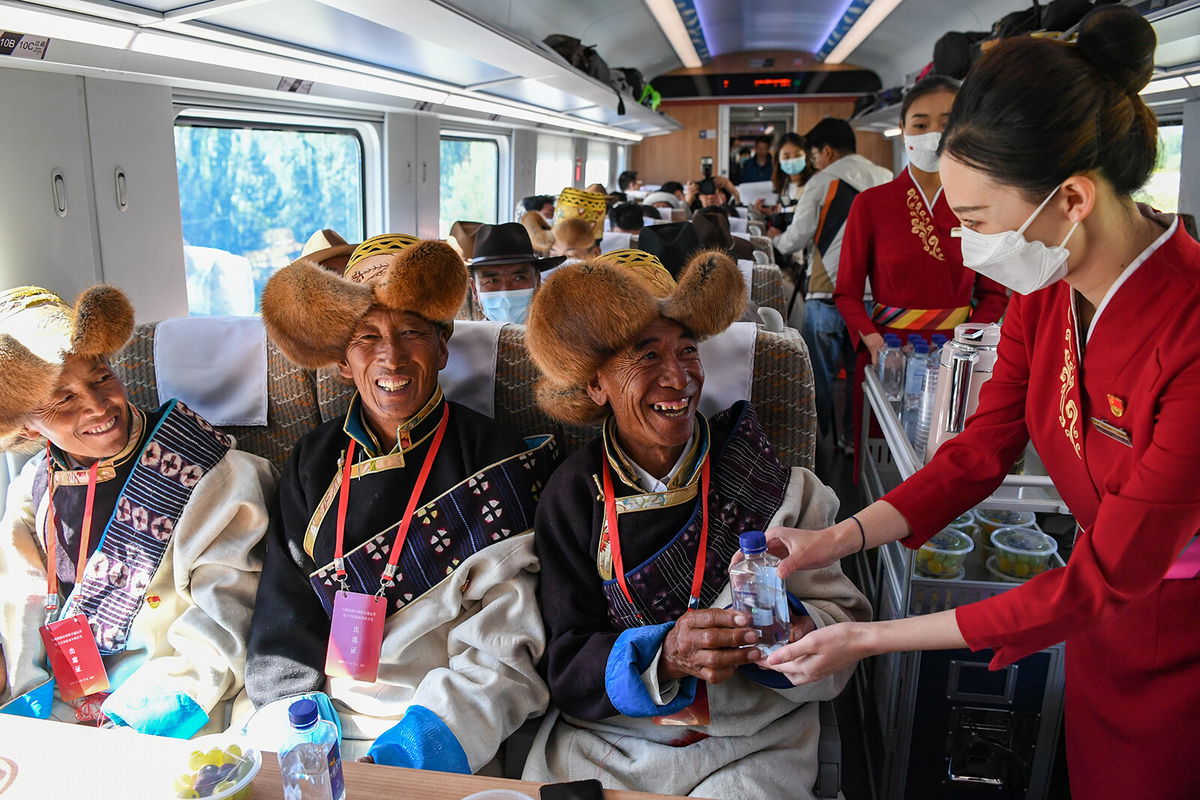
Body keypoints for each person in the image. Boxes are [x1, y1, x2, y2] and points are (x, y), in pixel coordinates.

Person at [763, 9, 1200, 799]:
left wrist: (867, 639)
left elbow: (1106, 575)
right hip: (1102, 623)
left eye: (974, 221)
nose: (966, 248)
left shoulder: (1192, 330)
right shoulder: (1047, 293)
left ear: (1069, 199)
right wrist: (835, 540)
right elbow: (978, 452)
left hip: (1181, 636)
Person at [520, 249, 870, 798]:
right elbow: (564, 658)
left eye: (688, 351)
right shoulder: (571, 494)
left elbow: (842, 615)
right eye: (647, 356)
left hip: (753, 739)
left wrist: (804, 630)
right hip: (610, 741)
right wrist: (667, 654)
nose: (679, 378)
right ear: (596, 385)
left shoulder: (773, 482)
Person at [245, 238, 554, 769]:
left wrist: (425, 746)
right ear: (344, 361)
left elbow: (507, 639)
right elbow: (284, 602)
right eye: (368, 337)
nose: (392, 355)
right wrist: (290, 714)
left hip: (446, 719)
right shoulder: (314, 459)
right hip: (321, 713)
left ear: (442, 347)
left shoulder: (493, 454)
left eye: (411, 331)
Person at [0, 285, 275, 736]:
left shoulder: (217, 476)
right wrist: (33, 716)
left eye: (101, 377)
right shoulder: (32, 488)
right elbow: (22, 612)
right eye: (62, 398)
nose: (96, 404)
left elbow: (221, 631)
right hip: (61, 704)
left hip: (172, 701)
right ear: (27, 422)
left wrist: (133, 723)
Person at [835, 76, 1008, 463]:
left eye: (947, 122)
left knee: (951, 458)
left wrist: (969, 346)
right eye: (920, 124)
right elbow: (846, 293)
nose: (934, 134)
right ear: (903, 132)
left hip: (960, 356)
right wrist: (875, 344)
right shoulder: (872, 203)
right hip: (890, 353)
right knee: (886, 460)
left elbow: (995, 294)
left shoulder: (982, 202)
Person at [772, 117, 893, 442]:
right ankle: (854, 441)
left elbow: (798, 236)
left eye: (813, 155)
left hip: (828, 291)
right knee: (862, 375)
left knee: (819, 376)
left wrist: (774, 245)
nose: (813, 161)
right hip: (873, 296)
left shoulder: (822, 181)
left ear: (826, 151)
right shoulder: (885, 177)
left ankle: (819, 443)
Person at [466, 222, 565, 324]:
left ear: (538, 282)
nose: (506, 291)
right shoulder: (462, 340)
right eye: (492, 281)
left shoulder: (563, 337)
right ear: (474, 290)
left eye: (519, 278)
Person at [754, 133, 811, 217]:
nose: (792, 160)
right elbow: (785, 212)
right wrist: (768, 212)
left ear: (806, 156)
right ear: (779, 160)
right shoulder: (785, 184)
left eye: (797, 155)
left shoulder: (813, 184)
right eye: (786, 157)